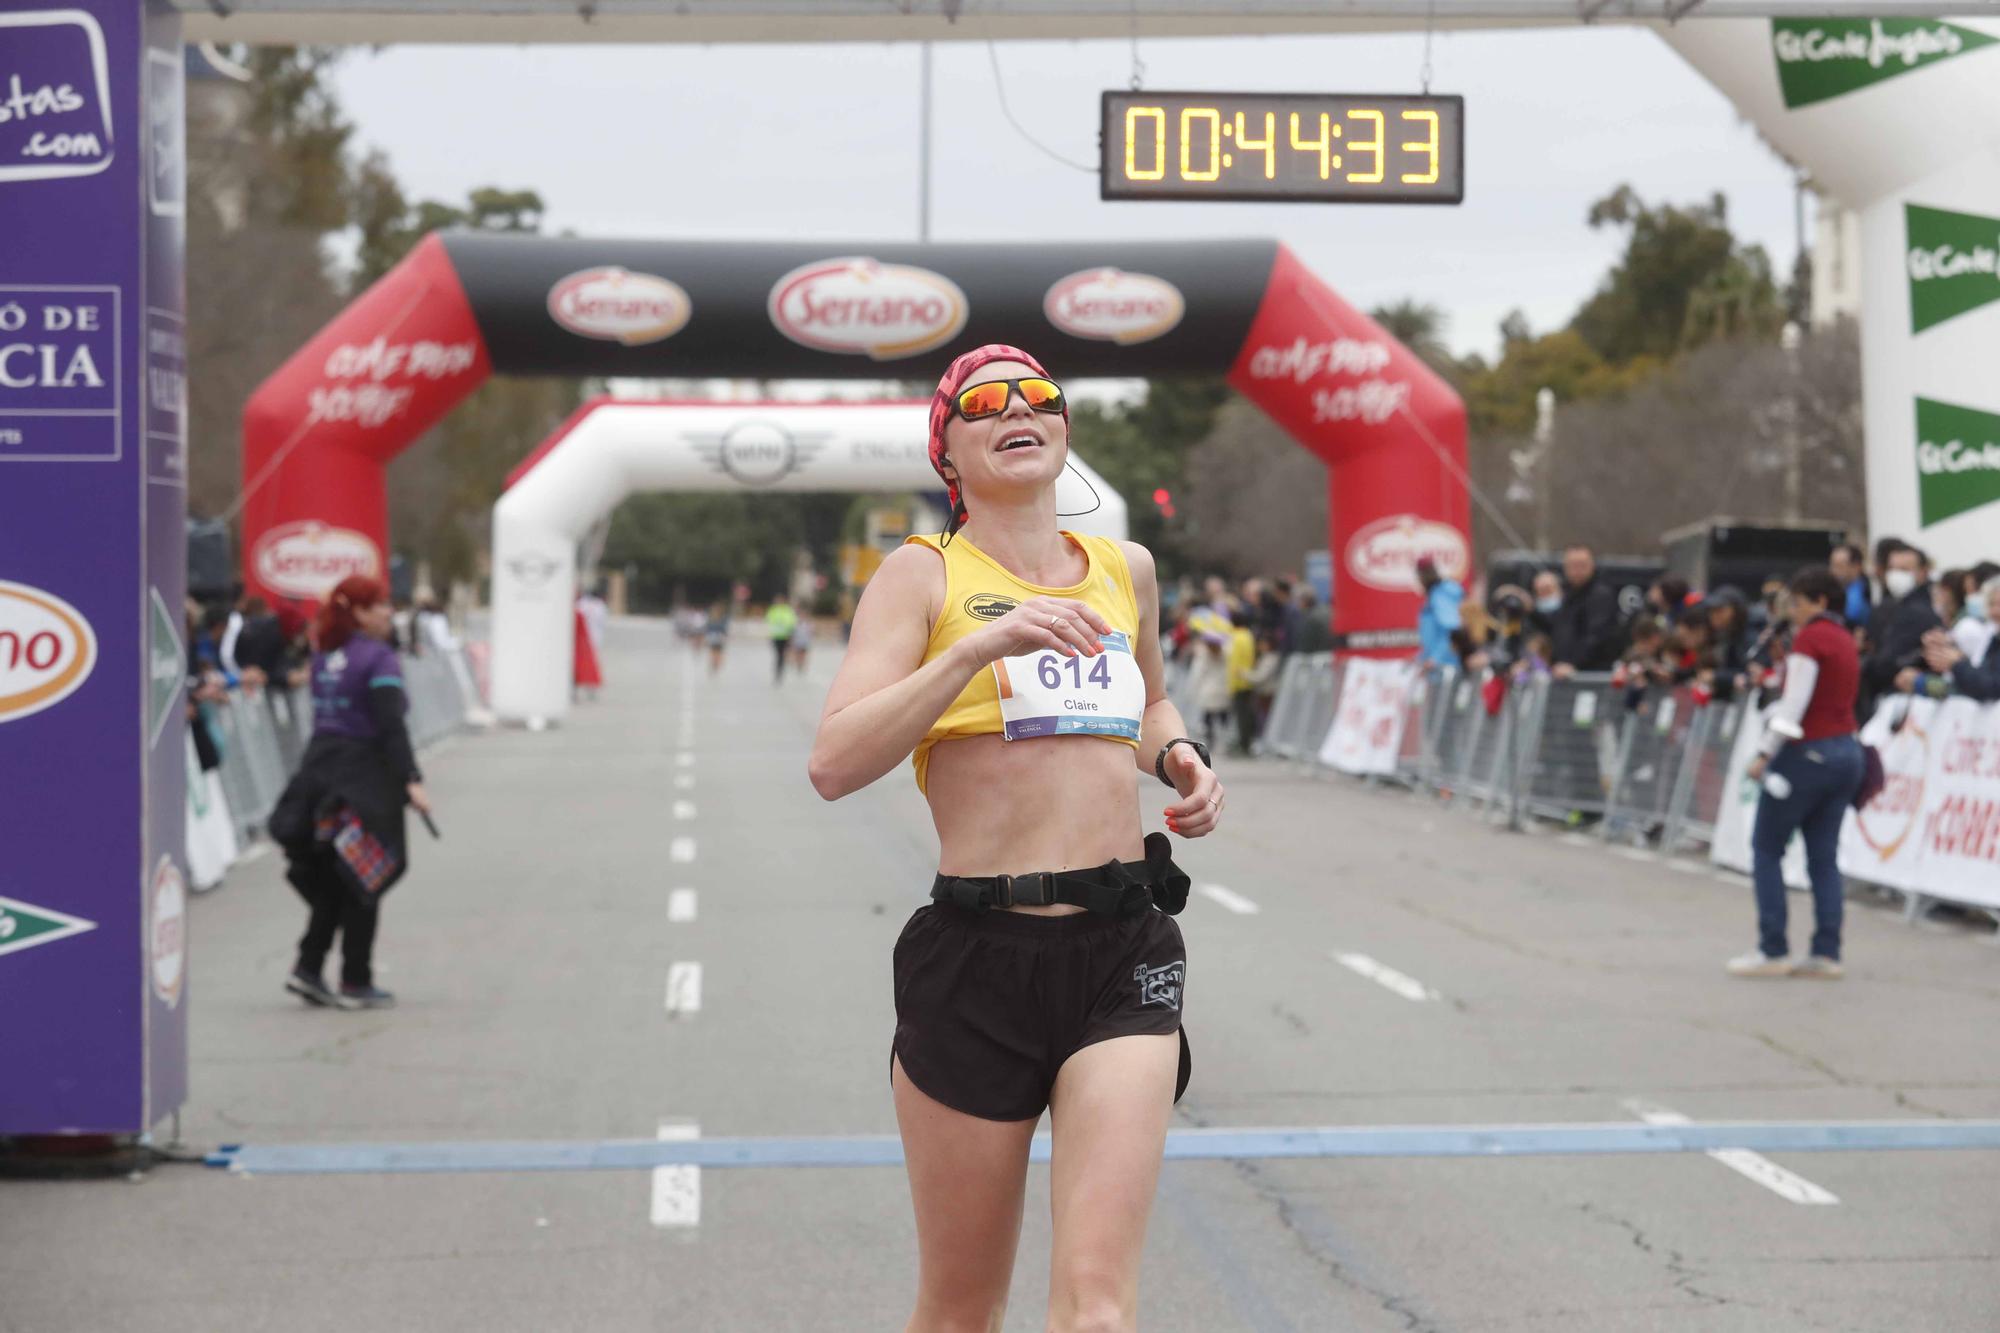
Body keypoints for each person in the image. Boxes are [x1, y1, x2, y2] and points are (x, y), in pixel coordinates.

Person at [808, 344, 1220, 1333]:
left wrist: (1178, 760)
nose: (1014, 410)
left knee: (1096, 1307)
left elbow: (1150, 701)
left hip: (1120, 949)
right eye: (983, 404)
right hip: (976, 957)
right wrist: (979, 647)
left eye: (1036, 396)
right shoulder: (921, 577)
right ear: (945, 449)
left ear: (1063, 426)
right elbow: (834, 761)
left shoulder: (1126, 569)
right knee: (959, 1310)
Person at [268, 576, 431, 1010]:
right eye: (379, 606)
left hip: (318, 775)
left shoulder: (326, 654)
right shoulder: (378, 660)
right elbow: (390, 724)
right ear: (358, 611)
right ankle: (355, 979)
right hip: (361, 779)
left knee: (336, 879)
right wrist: (411, 778)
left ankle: (309, 965)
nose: (387, 614)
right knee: (364, 878)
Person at [1730, 567, 1863, 978]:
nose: (1794, 612)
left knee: (1767, 848)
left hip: (1807, 752)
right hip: (1846, 752)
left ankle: (1773, 949)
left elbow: (1794, 704)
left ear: (1820, 601)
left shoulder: (1811, 639)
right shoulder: (1845, 640)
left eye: (1799, 603)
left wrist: (1764, 753)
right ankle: (1827, 951)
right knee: (1823, 858)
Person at [1859, 543, 1942, 721]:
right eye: (1892, 568)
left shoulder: (1920, 610)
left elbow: (1889, 662)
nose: (1896, 575)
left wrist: (1869, 665)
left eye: (1904, 569)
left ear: (1923, 571)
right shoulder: (1897, 605)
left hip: (1908, 701)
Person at [1549, 543, 1622, 677]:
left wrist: (1572, 663)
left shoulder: (1600, 595)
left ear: (1592, 566)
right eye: (1573, 566)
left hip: (1590, 674)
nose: (1577, 570)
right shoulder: (1566, 595)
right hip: (1562, 672)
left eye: (1582, 565)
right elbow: (1555, 628)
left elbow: (1597, 637)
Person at [1414, 555, 1464, 672]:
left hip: (1448, 667)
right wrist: (1423, 656)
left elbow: (1452, 631)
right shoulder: (1434, 596)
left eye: (1419, 576)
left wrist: (1435, 658)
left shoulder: (1440, 596)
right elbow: (1434, 635)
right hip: (1439, 666)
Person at [1830, 543, 1871, 629]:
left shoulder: (1867, 590)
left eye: (1839, 566)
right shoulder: (1836, 589)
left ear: (1856, 566)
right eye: (1832, 565)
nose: (1833, 571)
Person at [766, 592, 798, 683]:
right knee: (778, 654)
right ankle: (778, 669)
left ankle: (780, 669)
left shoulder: (787, 610)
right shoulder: (773, 610)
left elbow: (792, 622)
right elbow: (768, 620)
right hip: (776, 636)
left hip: (785, 636)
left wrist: (791, 634)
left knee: (783, 655)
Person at [703, 601, 730, 675]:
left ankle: (716, 664)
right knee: (714, 652)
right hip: (713, 638)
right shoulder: (711, 619)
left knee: (717, 653)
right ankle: (715, 664)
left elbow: (724, 629)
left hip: (718, 638)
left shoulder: (722, 619)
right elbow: (707, 629)